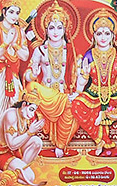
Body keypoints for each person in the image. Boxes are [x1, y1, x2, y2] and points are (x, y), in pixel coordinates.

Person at [71, 10, 117, 156]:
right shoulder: (88, 55)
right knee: (76, 104)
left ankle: (108, 117)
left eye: (107, 33)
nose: (103, 37)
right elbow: (82, 84)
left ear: (113, 36)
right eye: (99, 33)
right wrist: (82, 78)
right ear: (94, 36)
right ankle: (100, 139)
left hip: (115, 94)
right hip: (93, 93)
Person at [23, 2, 78, 157]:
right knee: (32, 86)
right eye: (51, 28)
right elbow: (28, 75)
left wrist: (77, 89)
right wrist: (33, 73)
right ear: (45, 30)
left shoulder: (70, 49)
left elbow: (78, 74)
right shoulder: (39, 50)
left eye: (59, 27)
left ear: (65, 29)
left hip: (63, 94)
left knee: (75, 107)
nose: (55, 32)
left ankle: (60, 144)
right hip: (45, 94)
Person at [0, 0, 31, 128]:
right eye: (11, 12)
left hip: (13, 75)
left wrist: (15, 44)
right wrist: (6, 43)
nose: (14, 16)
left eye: (17, 13)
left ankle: (14, 141)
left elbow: (24, 56)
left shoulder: (20, 31)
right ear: (4, 12)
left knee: (17, 106)